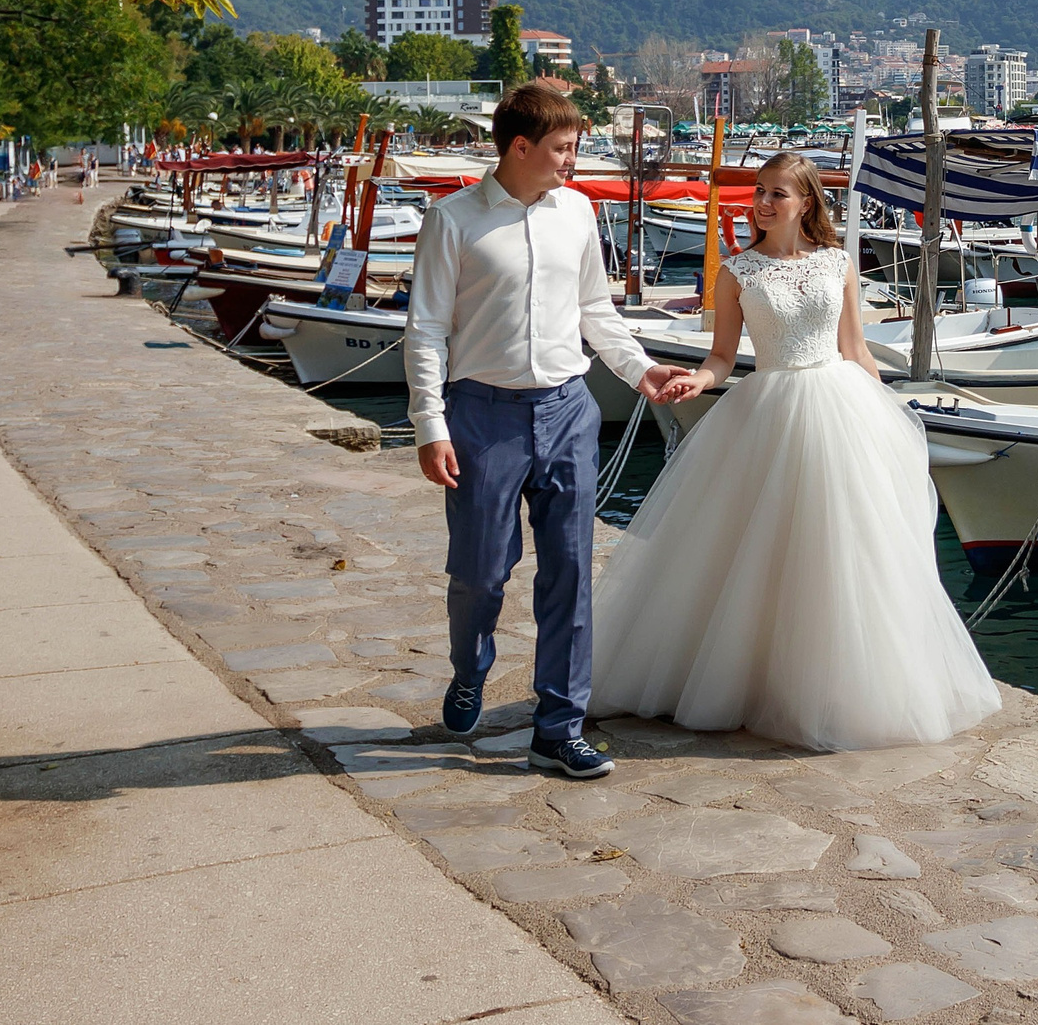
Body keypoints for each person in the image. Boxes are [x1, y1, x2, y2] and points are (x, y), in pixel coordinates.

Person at [590, 152, 1001, 750]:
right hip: (770, 408)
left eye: (777, 193)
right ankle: (754, 680)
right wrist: (697, 382)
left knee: (845, 549)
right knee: (757, 551)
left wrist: (888, 415)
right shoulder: (737, 272)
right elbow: (722, 358)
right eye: (759, 191)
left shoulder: (837, 264)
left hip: (841, 404)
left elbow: (855, 347)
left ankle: (842, 687)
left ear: (805, 202)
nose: (762, 203)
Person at [404, 83, 697, 778]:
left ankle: (558, 725)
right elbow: (425, 330)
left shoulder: (578, 213)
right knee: (481, 571)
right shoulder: (453, 221)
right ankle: (470, 665)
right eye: (563, 148)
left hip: (568, 410)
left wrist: (640, 373)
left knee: (570, 573)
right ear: (520, 146)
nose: (573, 159)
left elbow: (597, 309)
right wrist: (429, 425)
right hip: (483, 414)